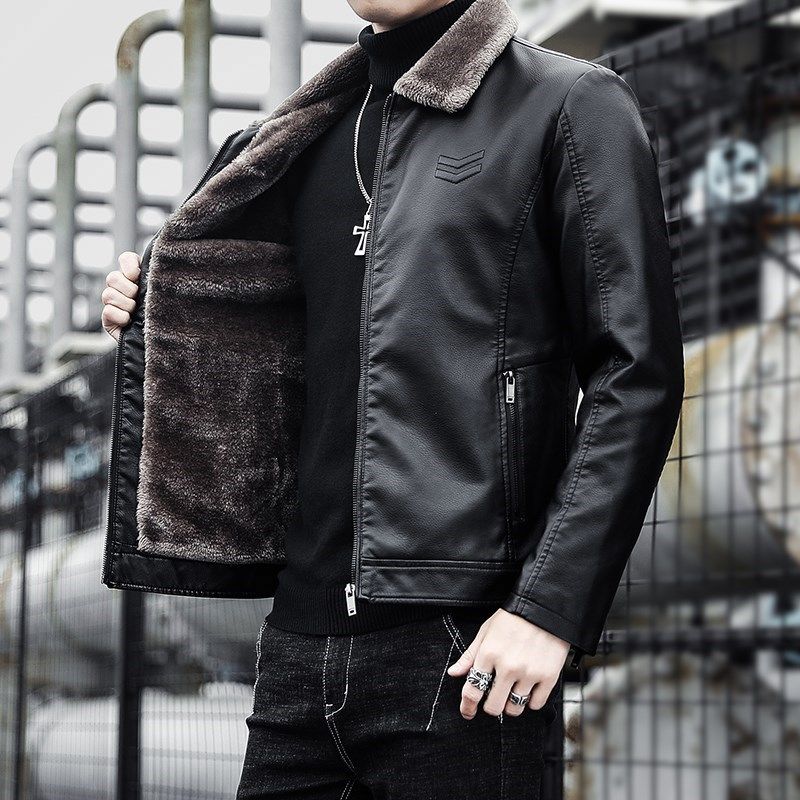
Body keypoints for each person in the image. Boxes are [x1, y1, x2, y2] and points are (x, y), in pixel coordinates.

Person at [100, 0, 684, 796]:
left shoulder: (569, 103)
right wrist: (160, 309)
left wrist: (549, 609)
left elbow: (635, 371)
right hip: (296, 649)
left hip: (464, 649)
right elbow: (274, 365)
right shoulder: (293, 140)